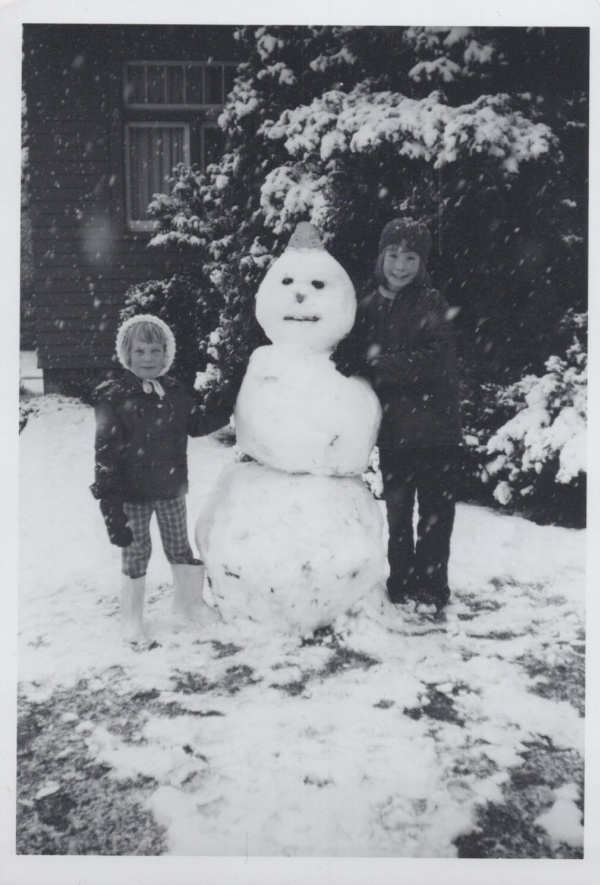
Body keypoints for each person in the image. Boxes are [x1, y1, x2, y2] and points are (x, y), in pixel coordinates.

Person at [90, 313, 230, 641]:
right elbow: (105, 456)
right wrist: (110, 505)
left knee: (179, 548)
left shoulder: (175, 391)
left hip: (171, 489)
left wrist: (227, 401)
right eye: (139, 351)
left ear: (166, 353)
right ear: (127, 355)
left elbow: (197, 425)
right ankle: (132, 618)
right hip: (132, 494)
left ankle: (189, 605)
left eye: (155, 351)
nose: (148, 358)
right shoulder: (113, 397)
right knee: (136, 552)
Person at [348, 218, 462, 613]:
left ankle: (431, 585)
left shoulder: (431, 301)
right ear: (381, 257)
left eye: (411, 257)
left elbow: (435, 359)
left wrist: (379, 364)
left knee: (435, 514)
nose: (401, 266)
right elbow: (354, 359)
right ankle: (400, 581)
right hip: (395, 430)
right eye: (393, 256)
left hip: (437, 429)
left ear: (422, 263)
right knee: (398, 512)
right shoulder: (365, 307)